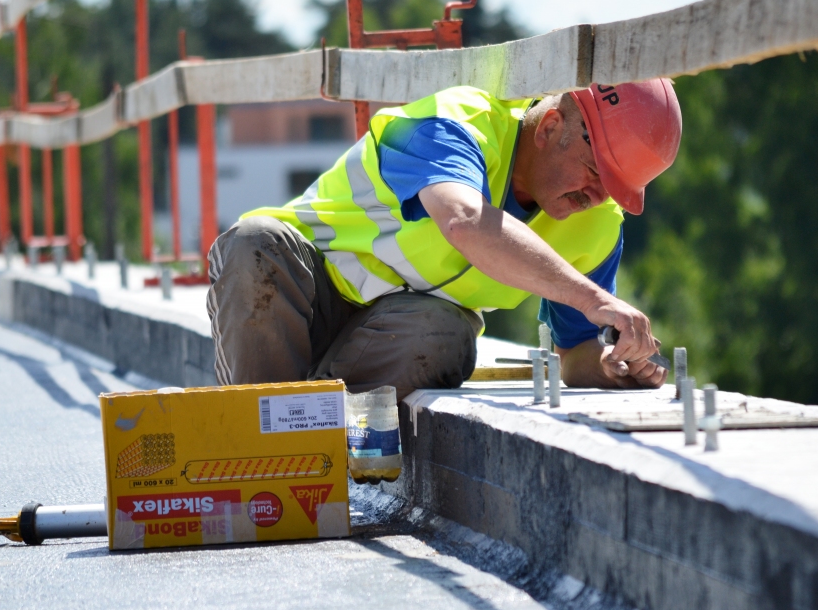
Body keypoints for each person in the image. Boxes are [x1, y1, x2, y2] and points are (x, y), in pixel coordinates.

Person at [206, 81, 682, 400]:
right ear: (552, 126)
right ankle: (260, 447)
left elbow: (575, 355)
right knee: (254, 245)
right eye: (596, 173)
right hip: (305, 297)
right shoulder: (453, 123)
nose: (597, 197)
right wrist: (594, 298)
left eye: (616, 189)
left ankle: (311, 445)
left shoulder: (597, 226)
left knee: (445, 336)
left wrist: (614, 366)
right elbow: (463, 219)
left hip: (389, 340)